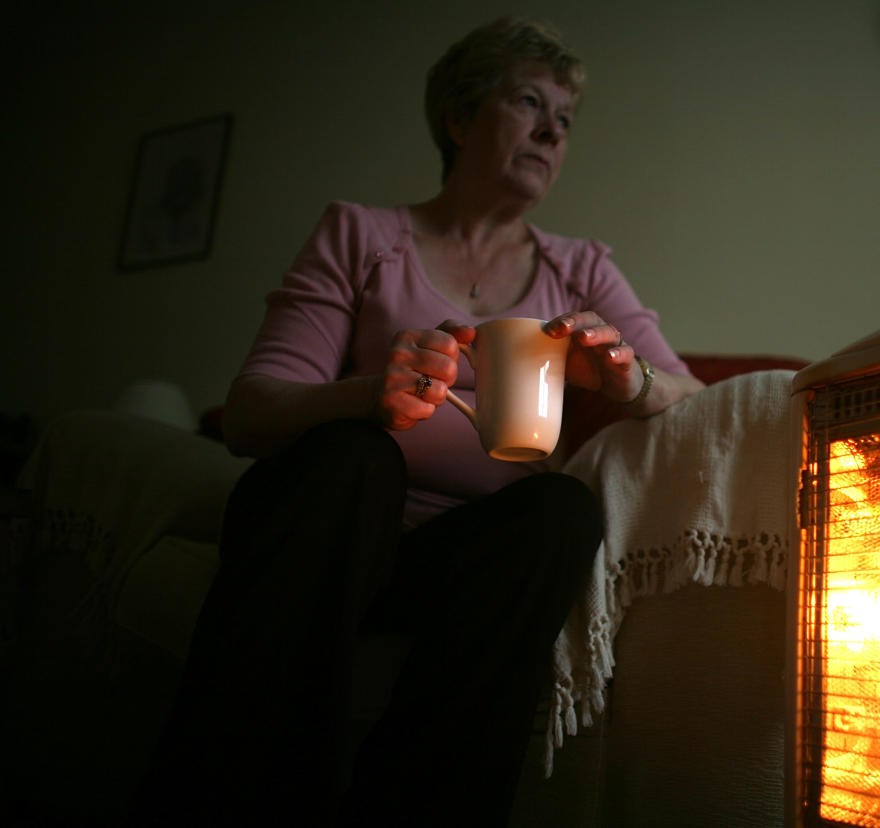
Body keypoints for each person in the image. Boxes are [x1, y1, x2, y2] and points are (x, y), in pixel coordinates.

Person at [128, 16, 703, 828]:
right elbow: (251, 414)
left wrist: (627, 377)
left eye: (564, 120)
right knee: (356, 456)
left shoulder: (582, 270)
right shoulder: (362, 236)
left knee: (561, 510)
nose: (549, 130)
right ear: (460, 118)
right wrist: (371, 392)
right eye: (528, 103)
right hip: (328, 535)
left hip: (460, 562)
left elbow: (686, 393)